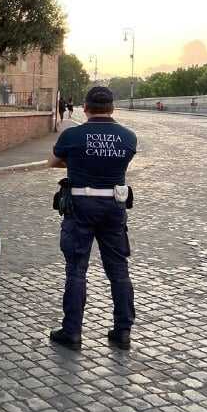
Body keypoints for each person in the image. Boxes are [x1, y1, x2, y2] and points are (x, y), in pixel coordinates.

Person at [48, 86, 138, 351]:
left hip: (80, 205)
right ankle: (123, 332)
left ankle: (72, 331)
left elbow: (53, 162)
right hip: (114, 206)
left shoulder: (73, 135)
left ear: (85, 108)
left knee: (76, 270)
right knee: (119, 270)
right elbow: (120, 164)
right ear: (112, 108)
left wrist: (76, 164)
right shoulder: (128, 137)